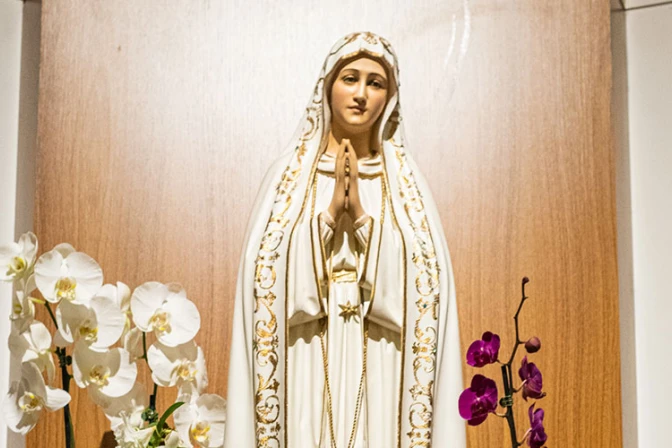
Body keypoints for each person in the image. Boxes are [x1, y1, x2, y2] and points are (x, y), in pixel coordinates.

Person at [224, 32, 466, 448]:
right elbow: (264, 275)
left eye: (376, 83)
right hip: (306, 352)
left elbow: (426, 285)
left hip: (382, 356)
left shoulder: (405, 184)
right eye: (350, 78)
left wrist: (363, 220)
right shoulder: (288, 178)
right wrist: (330, 214)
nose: (361, 94)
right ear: (328, 86)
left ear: (389, 97)